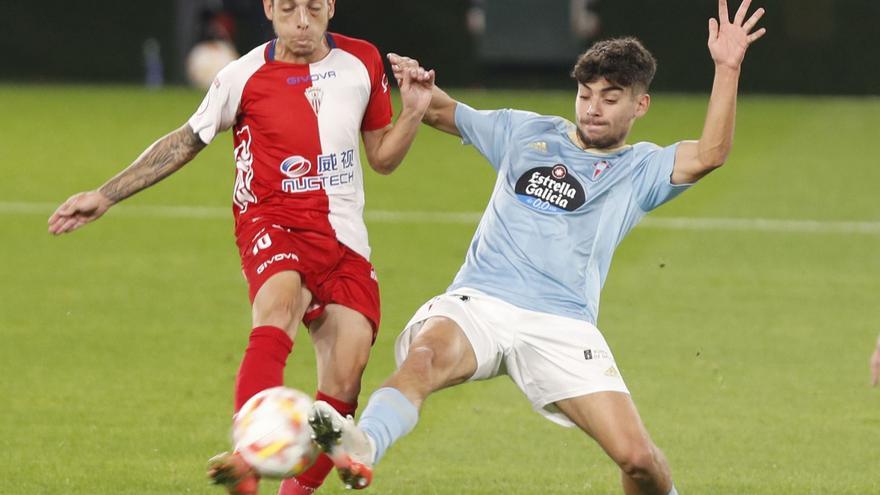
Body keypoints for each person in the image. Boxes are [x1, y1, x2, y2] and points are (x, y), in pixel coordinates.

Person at [307, 1, 766, 493]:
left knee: (638, 461)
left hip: (562, 323)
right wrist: (421, 91)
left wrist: (727, 67)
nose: (593, 107)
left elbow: (712, 153)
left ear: (640, 105)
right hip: (480, 302)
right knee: (423, 358)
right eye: (586, 94)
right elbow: (441, 111)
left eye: (610, 99)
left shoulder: (641, 169)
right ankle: (366, 445)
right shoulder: (525, 132)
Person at [46, 1, 434, 494]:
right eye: (288, 7)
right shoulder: (241, 75)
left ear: (330, 7)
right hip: (270, 221)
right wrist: (106, 193)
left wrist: (415, 111)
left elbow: (381, 157)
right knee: (281, 301)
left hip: (341, 239)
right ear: (269, 8)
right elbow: (186, 140)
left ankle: (292, 489)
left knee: (348, 372)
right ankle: (249, 453)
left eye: (313, 7)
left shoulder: (363, 62)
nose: (301, 20)